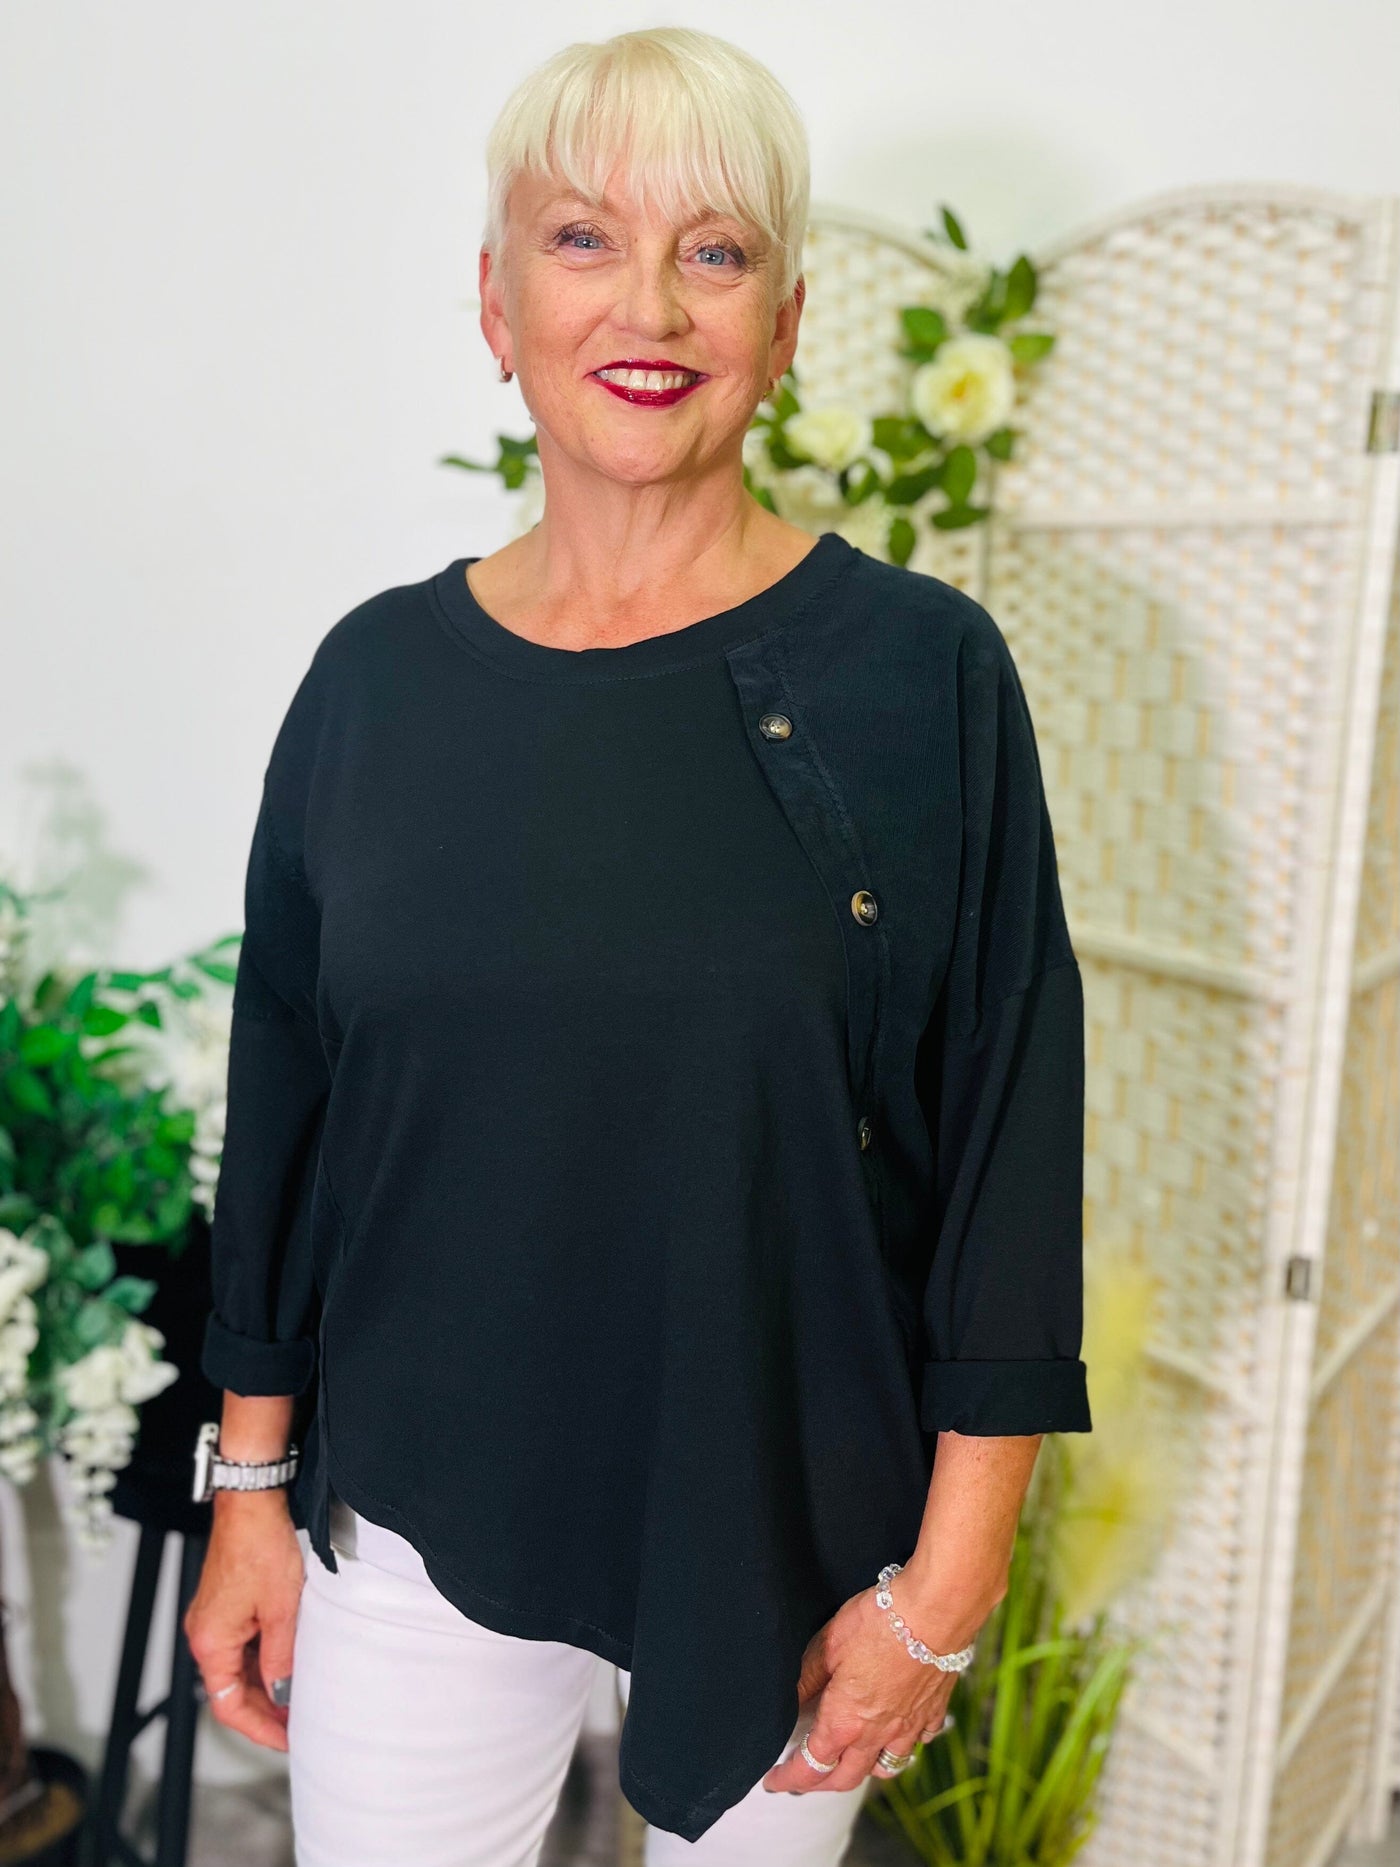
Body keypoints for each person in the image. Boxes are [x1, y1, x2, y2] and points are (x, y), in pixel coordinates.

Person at [183, 25, 1092, 1867]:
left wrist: (948, 1584)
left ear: (787, 319)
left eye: (717, 249)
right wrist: (251, 1490)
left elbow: (1010, 1130)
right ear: (497, 304)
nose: (651, 304)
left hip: (783, 1528)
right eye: (585, 238)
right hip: (417, 1508)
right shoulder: (371, 682)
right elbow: (286, 1110)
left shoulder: (920, 676)